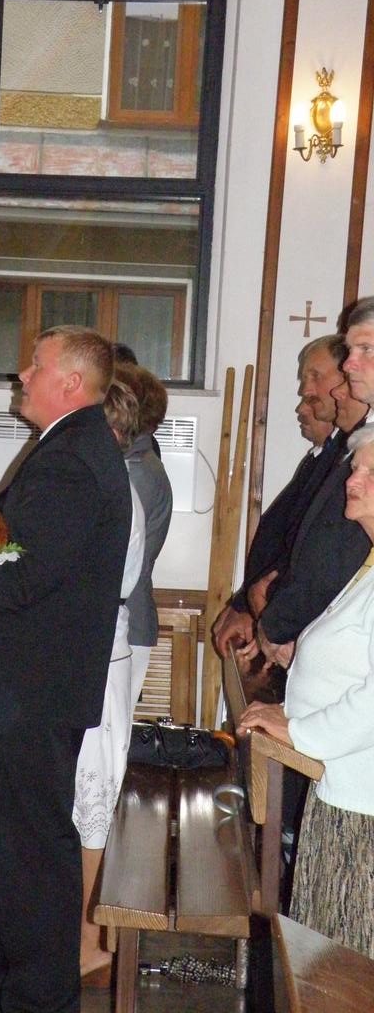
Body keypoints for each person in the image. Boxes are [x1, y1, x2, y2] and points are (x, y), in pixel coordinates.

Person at [0, 327, 133, 1013]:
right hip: (39, 684)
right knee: (28, 848)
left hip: (34, 687)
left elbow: (24, 576)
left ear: (70, 382)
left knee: (29, 853)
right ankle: (29, 994)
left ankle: (36, 1003)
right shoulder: (74, 446)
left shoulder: (70, 460)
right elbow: (15, 550)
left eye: (35, 366)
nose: (22, 375)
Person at [238, 423, 374, 958]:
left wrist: (298, 730)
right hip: (340, 796)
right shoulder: (367, 566)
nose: (352, 480)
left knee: (345, 967)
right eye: (355, 468)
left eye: (369, 473)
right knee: (323, 961)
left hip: (362, 812)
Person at [215, 336, 364, 658]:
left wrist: (271, 620)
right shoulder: (328, 456)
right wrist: (246, 603)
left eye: (315, 376)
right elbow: (288, 535)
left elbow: (326, 555)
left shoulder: (354, 459)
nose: (304, 392)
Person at [72, 380, 145, 985]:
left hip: (98, 649)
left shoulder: (113, 487)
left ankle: (92, 943)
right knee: (84, 799)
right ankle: (83, 937)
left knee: (92, 802)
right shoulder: (109, 481)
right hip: (98, 646)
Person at [113, 363, 173, 710]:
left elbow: (118, 558)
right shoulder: (134, 463)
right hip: (125, 618)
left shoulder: (138, 471)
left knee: (106, 736)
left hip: (127, 622)